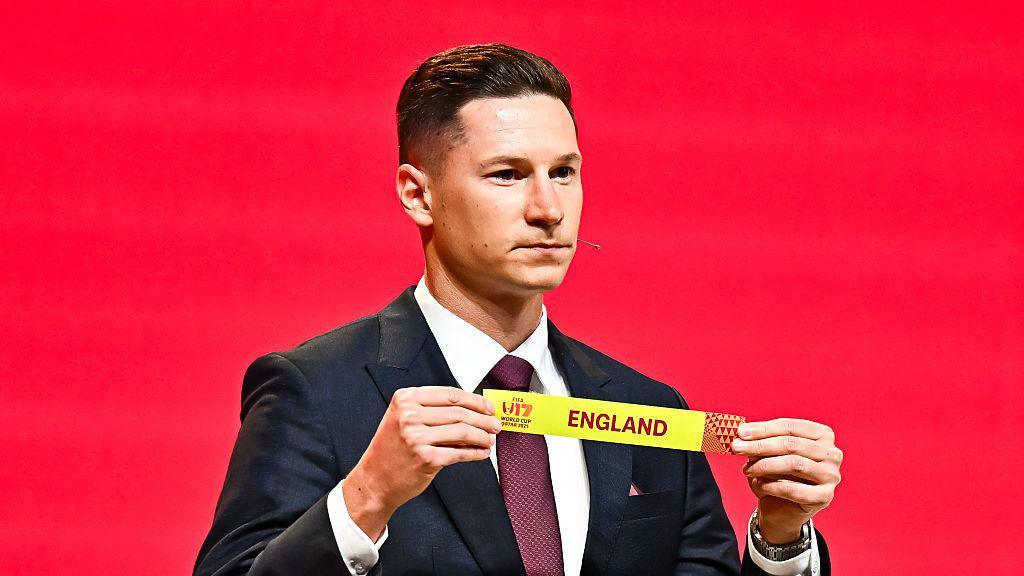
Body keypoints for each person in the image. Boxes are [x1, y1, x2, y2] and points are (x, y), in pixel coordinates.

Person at [195, 43, 843, 576]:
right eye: (507, 174)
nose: (548, 209)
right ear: (418, 193)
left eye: (564, 172)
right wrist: (368, 495)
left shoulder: (651, 411)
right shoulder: (316, 389)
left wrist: (782, 539)